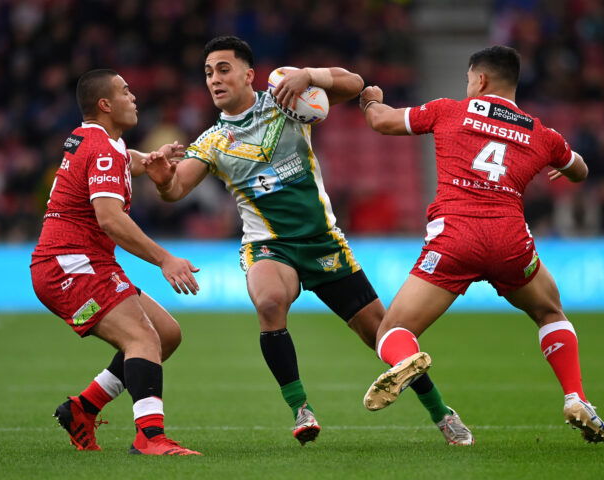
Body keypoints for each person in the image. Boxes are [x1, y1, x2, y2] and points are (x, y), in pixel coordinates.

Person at [140, 35, 471, 446]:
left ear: (248, 74)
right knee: (268, 302)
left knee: (383, 335)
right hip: (270, 246)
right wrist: (162, 181)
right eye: (208, 73)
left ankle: (442, 413)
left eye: (223, 70)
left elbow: (354, 84)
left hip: (322, 243)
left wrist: (310, 75)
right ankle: (300, 408)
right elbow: (176, 190)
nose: (214, 80)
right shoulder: (212, 141)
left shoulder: (285, 100)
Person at [358, 45, 604, 444]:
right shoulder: (542, 134)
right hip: (510, 239)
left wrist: (370, 99)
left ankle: (406, 359)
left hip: (455, 238)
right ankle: (575, 397)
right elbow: (580, 168)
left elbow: (383, 122)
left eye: (469, 79)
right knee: (549, 311)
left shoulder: (449, 110)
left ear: (480, 79)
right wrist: (565, 169)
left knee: (393, 328)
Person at [30, 69, 202, 456]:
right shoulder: (104, 148)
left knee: (166, 334)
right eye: (125, 92)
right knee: (141, 338)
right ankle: (150, 437)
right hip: (69, 264)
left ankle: (82, 408)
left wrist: (151, 162)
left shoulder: (94, 140)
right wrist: (165, 259)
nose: (134, 97)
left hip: (85, 261)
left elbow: (125, 159)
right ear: (105, 104)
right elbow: (109, 218)